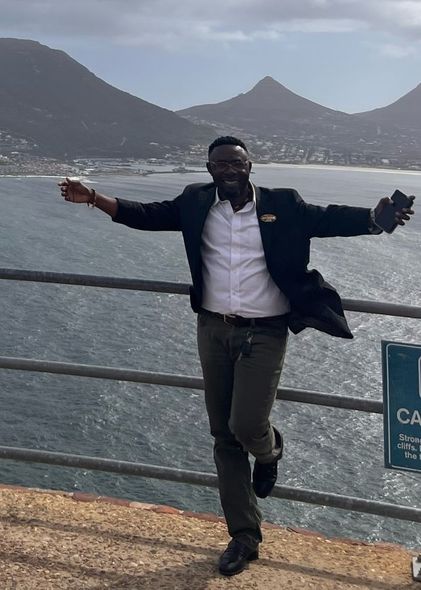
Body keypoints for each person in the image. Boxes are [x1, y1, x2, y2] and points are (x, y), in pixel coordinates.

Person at [59, 136, 414, 577]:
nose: (229, 169)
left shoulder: (283, 203)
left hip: (265, 330)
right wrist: (93, 198)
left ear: (250, 166)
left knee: (245, 425)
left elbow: (327, 219)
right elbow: (147, 215)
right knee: (223, 435)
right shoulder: (195, 202)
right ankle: (244, 535)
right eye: (220, 162)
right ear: (209, 168)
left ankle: (269, 452)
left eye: (237, 162)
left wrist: (374, 220)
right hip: (212, 329)